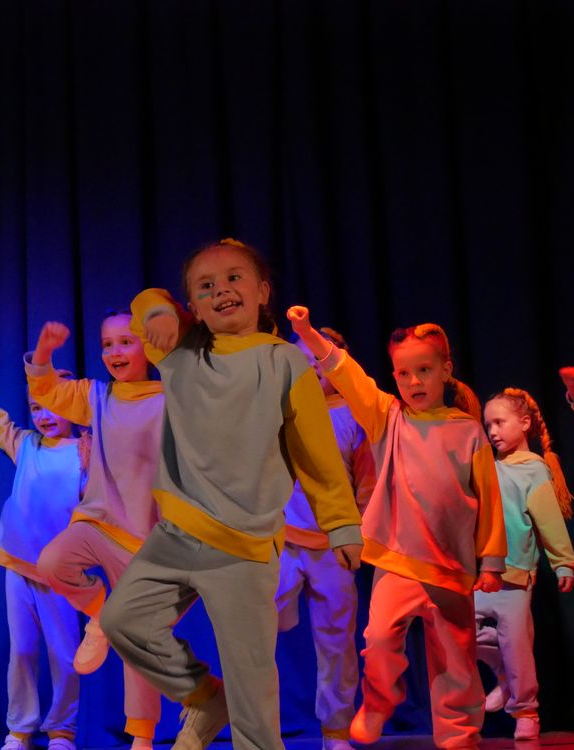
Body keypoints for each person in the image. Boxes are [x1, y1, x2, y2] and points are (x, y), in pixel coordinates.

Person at [101, 238, 363, 750]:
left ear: (263, 291)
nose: (221, 289)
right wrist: (156, 311)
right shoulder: (180, 351)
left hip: (244, 547)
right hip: (178, 533)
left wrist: (341, 522)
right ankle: (204, 697)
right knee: (123, 621)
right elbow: (146, 302)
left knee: (251, 683)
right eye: (206, 285)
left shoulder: (284, 360)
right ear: (192, 306)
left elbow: (315, 452)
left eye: (234, 278)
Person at [288, 308, 505, 750]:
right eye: (404, 374)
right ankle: (379, 700)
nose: (414, 381)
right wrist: (307, 333)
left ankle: (459, 736)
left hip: (450, 567)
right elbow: (348, 375)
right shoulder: (387, 417)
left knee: (456, 660)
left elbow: (489, 499)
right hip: (397, 560)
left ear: (445, 370)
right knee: (379, 638)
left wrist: (492, 560)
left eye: (424, 370)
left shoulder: (468, 431)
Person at [27, 311, 165, 748]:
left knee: (138, 639)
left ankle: (142, 738)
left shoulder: (170, 400)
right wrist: (45, 351)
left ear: (148, 348)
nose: (114, 352)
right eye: (107, 345)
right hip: (98, 523)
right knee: (52, 562)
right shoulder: (97, 396)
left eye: (125, 342)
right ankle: (101, 613)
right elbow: (47, 390)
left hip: (146, 540)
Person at [0, 340, 87, 750]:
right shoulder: (26, 445)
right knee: (21, 650)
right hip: (18, 564)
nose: (45, 416)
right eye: (36, 408)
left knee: (65, 654)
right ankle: (20, 728)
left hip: (61, 573)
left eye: (52, 406)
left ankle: (62, 731)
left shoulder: (85, 453)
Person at [276, 327, 375, 750]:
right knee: (253, 629)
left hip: (333, 547)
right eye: (302, 360)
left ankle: (335, 731)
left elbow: (367, 484)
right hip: (282, 542)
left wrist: (359, 534)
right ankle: (255, 726)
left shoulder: (353, 415)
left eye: (320, 358)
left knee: (336, 642)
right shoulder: (278, 412)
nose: (312, 367)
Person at [478, 388, 574, 741]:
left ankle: (526, 711)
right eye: (488, 425)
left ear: (524, 423)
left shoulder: (533, 469)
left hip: (516, 577)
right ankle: (504, 675)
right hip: (482, 575)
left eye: (499, 422)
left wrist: (563, 562)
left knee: (517, 647)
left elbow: (549, 520)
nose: (493, 431)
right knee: (460, 634)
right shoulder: (486, 466)